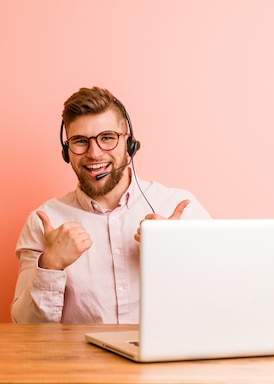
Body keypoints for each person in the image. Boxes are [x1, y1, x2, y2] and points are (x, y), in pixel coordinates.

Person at [11, 86, 211, 324]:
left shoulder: (179, 208)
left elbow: (221, 301)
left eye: (107, 138)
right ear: (67, 151)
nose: (94, 154)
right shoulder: (44, 221)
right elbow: (23, 326)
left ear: (129, 143)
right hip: (77, 361)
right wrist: (50, 266)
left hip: (163, 361)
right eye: (80, 141)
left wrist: (180, 252)